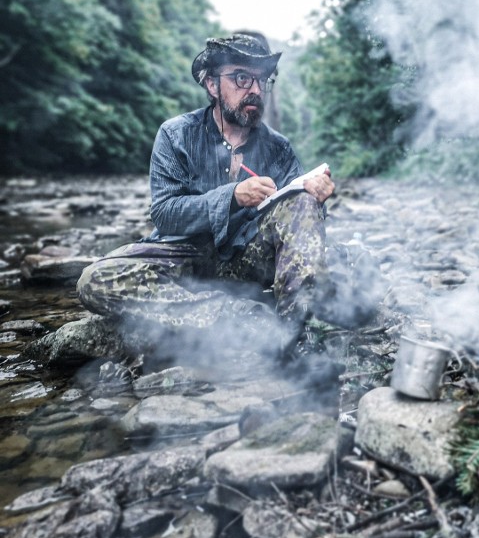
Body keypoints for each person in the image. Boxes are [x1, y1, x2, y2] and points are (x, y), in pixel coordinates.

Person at [77, 33, 354, 361]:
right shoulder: (176, 134)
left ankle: (298, 331)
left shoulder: (278, 147)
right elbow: (166, 214)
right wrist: (233, 196)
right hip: (184, 257)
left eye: (262, 80)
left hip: (248, 260)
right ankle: (239, 318)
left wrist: (315, 198)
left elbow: (299, 227)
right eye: (241, 78)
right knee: (94, 279)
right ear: (211, 85)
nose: (254, 89)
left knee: (310, 211)